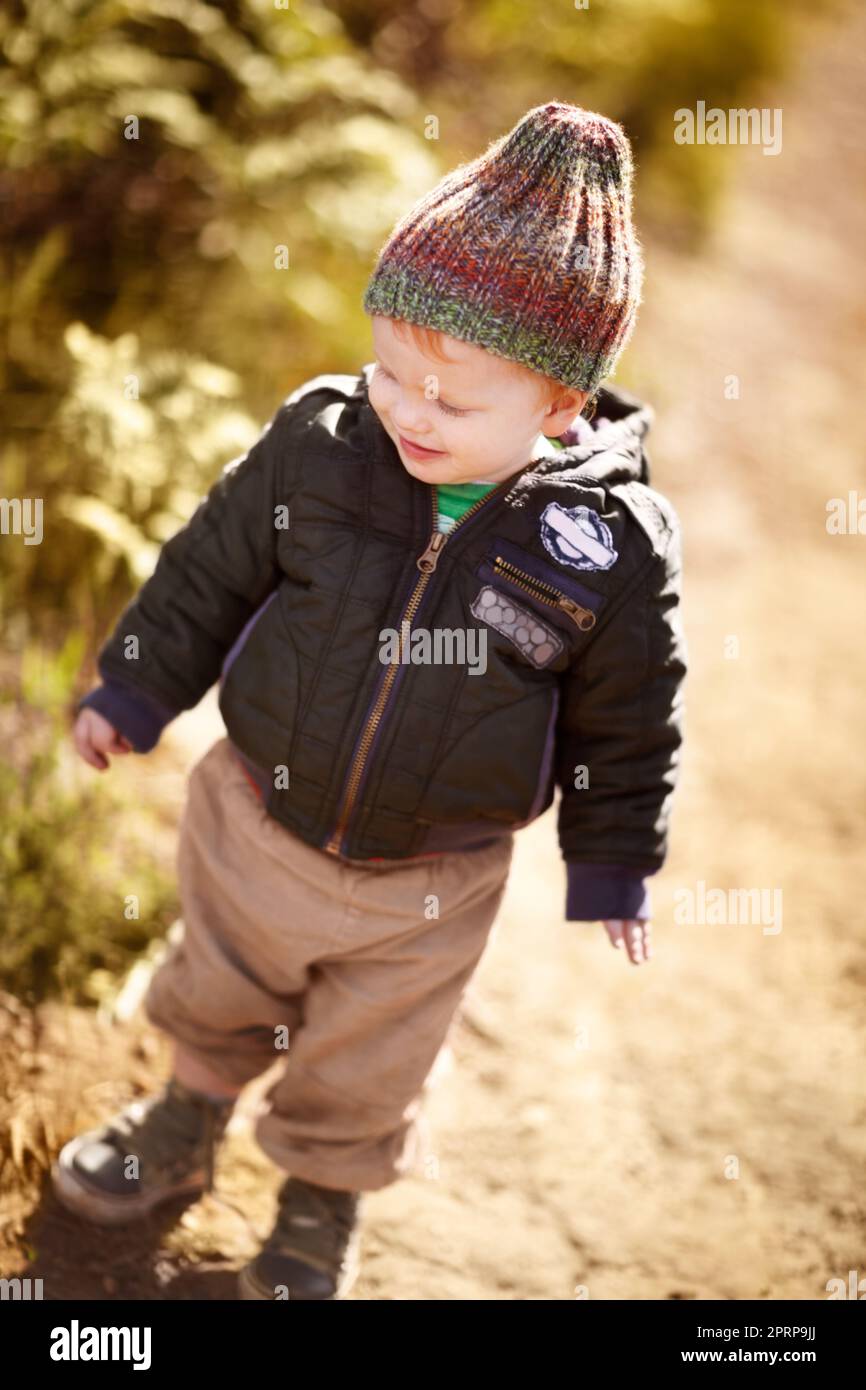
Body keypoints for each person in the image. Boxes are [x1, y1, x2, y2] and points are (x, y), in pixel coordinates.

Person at [54, 101, 688, 1300]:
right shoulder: (322, 442)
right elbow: (211, 565)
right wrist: (136, 684)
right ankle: (184, 1120)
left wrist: (613, 857)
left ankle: (319, 1201)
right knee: (218, 986)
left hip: (428, 878)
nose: (407, 411)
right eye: (391, 369)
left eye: (451, 403)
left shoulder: (603, 546)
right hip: (253, 810)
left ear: (560, 405)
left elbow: (630, 714)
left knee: (368, 1058)